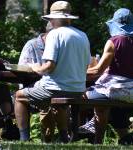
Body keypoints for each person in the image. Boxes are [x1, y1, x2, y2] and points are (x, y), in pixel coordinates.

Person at [14, 0, 91, 142]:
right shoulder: (83, 36)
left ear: (54, 18)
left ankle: (24, 139)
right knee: (57, 103)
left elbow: (49, 67)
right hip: (78, 89)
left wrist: (35, 67)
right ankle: (64, 138)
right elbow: (86, 66)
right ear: (68, 18)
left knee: (19, 96)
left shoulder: (54, 35)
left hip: (55, 88)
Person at [80, 8, 133, 144]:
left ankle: (83, 134)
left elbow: (98, 71)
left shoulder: (114, 41)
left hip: (117, 90)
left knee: (80, 96)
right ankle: (125, 138)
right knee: (111, 108)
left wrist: (75, 73)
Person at [18, 22, 69, 143]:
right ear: (49, 34)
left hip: (54, 86)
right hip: (32, 84)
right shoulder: (32, 45)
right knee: (20, 96)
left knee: (59, 100)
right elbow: (22, 67)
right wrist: (36, 68)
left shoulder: (61, 45)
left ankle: (63, 137)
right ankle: (25, 139)